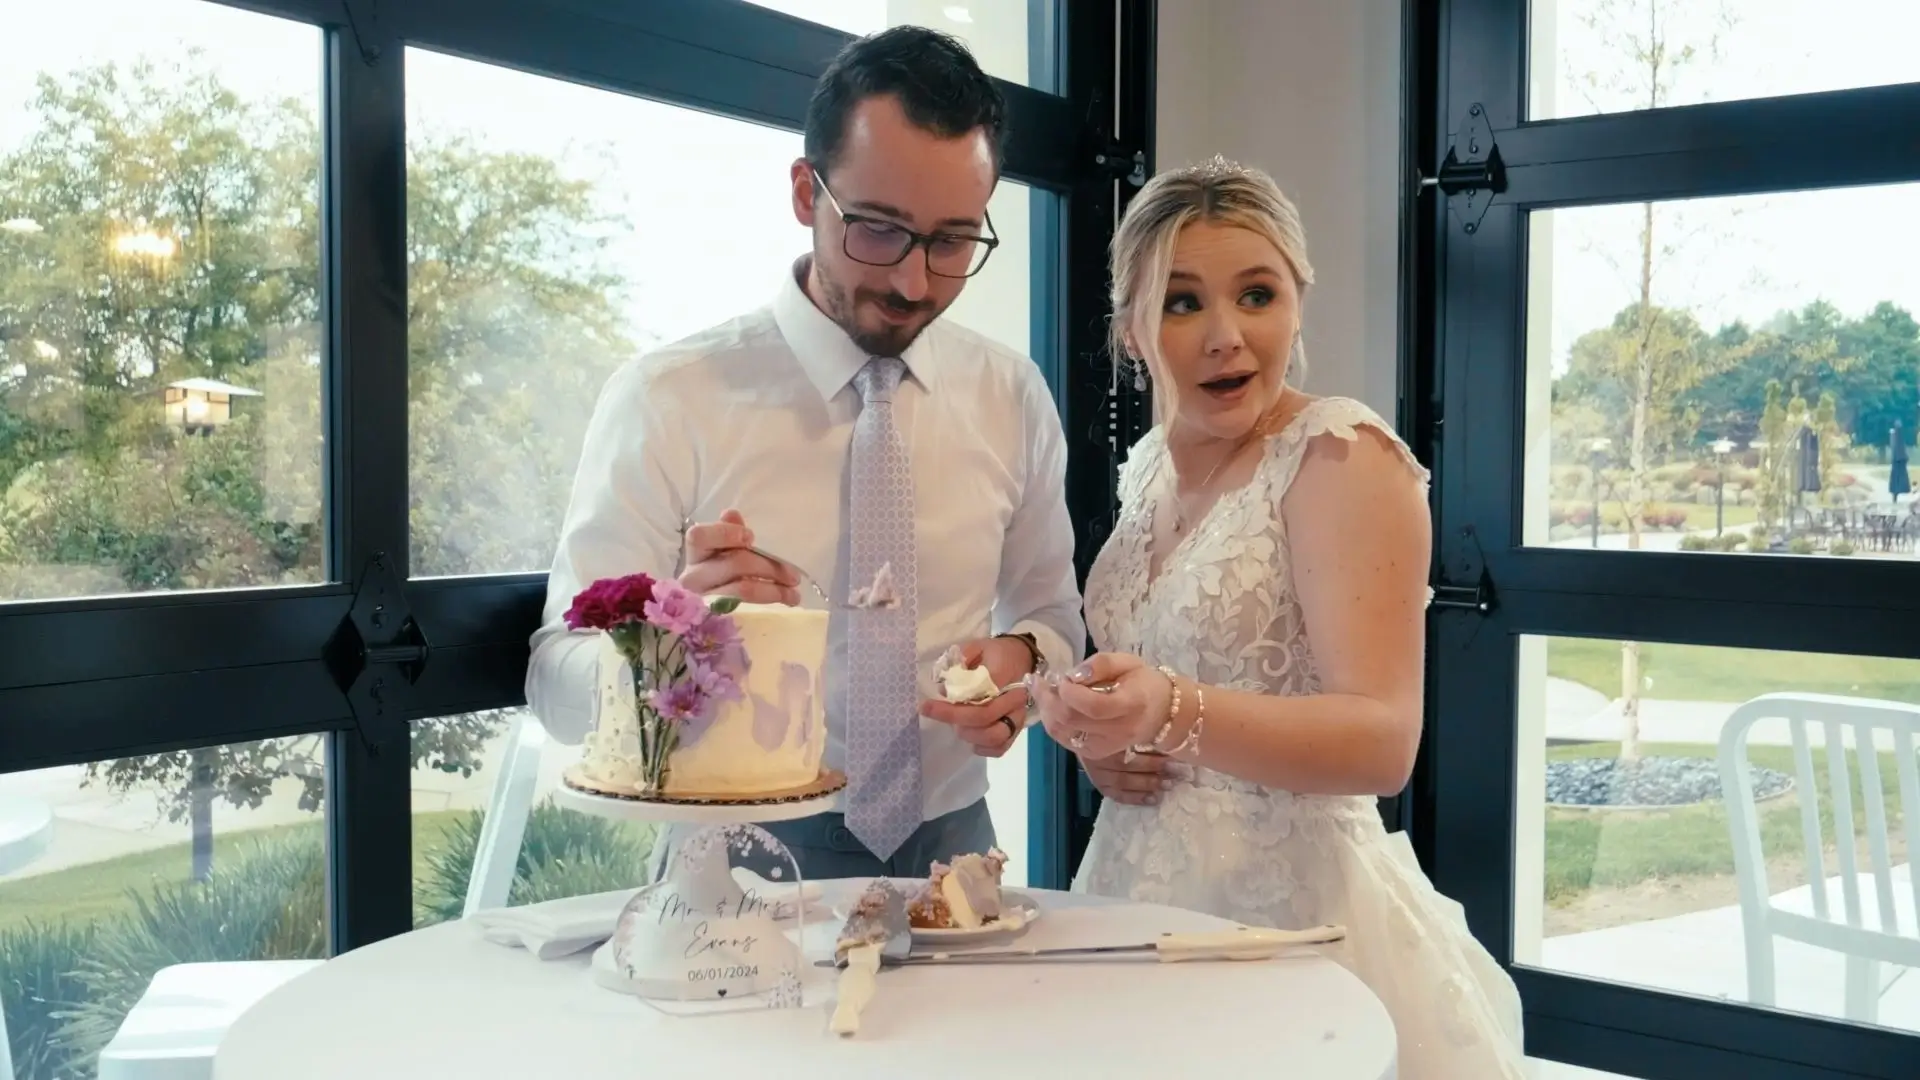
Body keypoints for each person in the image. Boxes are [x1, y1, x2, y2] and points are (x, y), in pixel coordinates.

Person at [525, 26, 1083, 881]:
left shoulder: (1013, 396)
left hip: (957, 851)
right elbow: (554, 685)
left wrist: (1023, 671)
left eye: (951, 241)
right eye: (879, 230)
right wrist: (668, 642)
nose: (913, 283)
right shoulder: (668, 399)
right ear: (803, 192)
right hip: (729, 858)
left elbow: (1053, 622)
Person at [1027, 158, 1526, 1079]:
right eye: (1182, 303)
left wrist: (1169, 708)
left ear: (1297, 303)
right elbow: (1168, 686)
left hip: (1294, 921)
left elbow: (1383, 742)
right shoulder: (1148, 469)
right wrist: (1103, 734)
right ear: (1131, 331)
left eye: (1257, 295)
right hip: (1139, 900)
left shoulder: (1339, 456)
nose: (1227, 336)